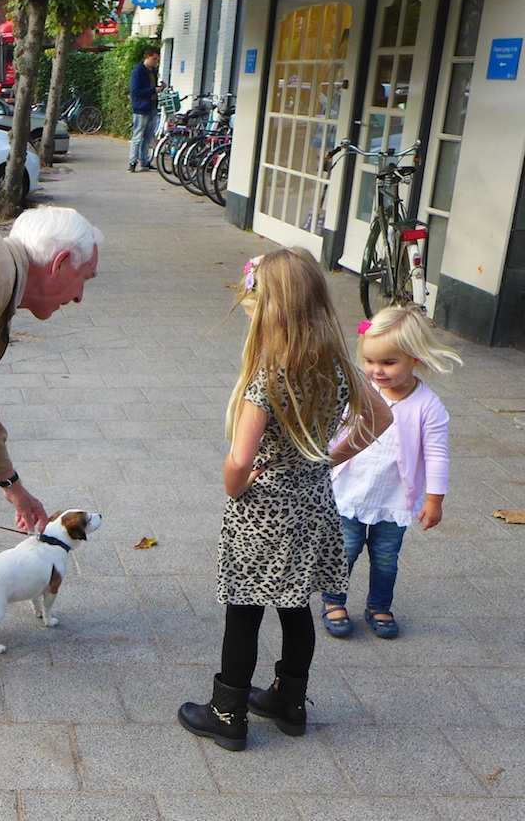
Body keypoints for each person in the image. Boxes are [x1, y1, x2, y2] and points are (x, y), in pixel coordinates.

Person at [177, 248, 393, 751]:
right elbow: (381, 418)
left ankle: (227, 714)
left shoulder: (266, 379)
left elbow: (239, 461)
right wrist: (329, 458)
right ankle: (290, 705)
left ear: (270, 311)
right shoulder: (337, 366)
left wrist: (234, 484)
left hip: (261, 515)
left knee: (244, 610)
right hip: (314, 507)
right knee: (296, 608)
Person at [0, 208, 103, 533]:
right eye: (84, 278)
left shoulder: (0, 275)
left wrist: (13, 487)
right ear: (60, 263)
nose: (79, 297)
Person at [321, 307, 462, 639]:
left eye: (388, 362)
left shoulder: (428, 406)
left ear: (414, 358)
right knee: (345, 550)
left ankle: (379, 605)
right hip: (351, 491)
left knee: (386, 558)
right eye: (369, 361)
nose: (376, 370)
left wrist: (434, 500)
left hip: (394, 498)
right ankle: (333, 601)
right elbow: (334, 428)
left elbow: (438, 455)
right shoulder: (360, 391)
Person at [128, 47, 165, 172]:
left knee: (148, 137)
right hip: (141, 108)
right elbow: (135, 91)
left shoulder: (153, 71)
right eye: (154, 59)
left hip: (152, 106)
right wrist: (153, 90)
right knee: (138, 136)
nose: (156, 61)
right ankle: (132, 162)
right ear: (147, 57)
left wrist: (160, 88)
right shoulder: (138, 71)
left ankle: (144, 161)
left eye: (157, 59)